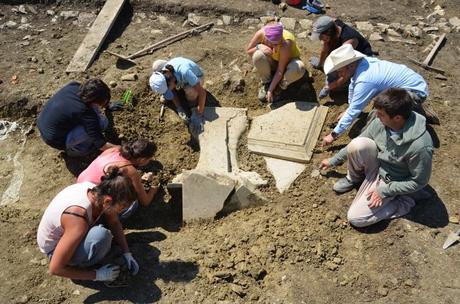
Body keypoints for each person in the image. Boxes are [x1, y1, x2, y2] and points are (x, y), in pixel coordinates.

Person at [319, 88, 433, 227]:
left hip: (394, 180)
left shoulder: (420, 146)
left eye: (381, 114)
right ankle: (354, 179)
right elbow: (359, 140)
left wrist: (384, 191)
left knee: (356, 219)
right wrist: (333, 161)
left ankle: (405, 201)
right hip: (379, 165)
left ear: (397, 118)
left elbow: (419, 182)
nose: (376, 116)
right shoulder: (382, 122)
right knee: (358, 144)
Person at [321, 44, 437, 146]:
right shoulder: (362, 63)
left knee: (379, 115)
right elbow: (352, 85)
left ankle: (410, 118)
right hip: (410, 83)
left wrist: (333, 135)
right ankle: (412, 109)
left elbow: (355, 110)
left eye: (340, 70)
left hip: (415, 92)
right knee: (381, 102)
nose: (338, 74)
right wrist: (349, 108)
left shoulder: (365, 79)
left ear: (350, 66)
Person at [36, 168, 139, 282]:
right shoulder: (77, 218)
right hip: (55, 250)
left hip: (73, 229)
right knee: (101, 237)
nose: (122, 209)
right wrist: (97, 275)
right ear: (107, 202)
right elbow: (55, 269)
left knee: (129, 209)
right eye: (122, 205)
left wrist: (126, 252)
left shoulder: (97, 190)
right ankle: (83, 265)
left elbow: (114, 222)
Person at [37, 79, 120, 157]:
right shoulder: (86, 113)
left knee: (97, 119)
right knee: (102, 123)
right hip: (56, 140)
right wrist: (121, 149)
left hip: (43, 122)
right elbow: (101, 145)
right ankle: (75, 150)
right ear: (94, 102)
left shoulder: (74, 86)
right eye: (103, 103)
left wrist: (108, 105)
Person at [77, 140, 159, 219]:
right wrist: (153, 190)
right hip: (91, 204)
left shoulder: (113, 150)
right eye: (149, 159)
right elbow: (145, 201)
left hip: (77, 188)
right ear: (142, 160)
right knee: (133, 202)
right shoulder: (129, 170)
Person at [309, 15, 374, 99]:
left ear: (329, 33)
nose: (321, 40)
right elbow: (325, 48)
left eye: (322, 37)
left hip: (361, 61)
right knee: (330, 73)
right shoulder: (332, 25)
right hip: (345, 55)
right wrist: (320, 64)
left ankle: (350, 85)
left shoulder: (348, 43)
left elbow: (346, 72)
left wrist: (328, 87)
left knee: (334, 87)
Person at [246, 21, 306, 103]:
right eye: (272, 44)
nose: (275, 48)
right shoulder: (261, 33)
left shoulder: (286, 43)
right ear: (266, 37)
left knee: (299, 68)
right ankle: (266, 82)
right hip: (273, 61)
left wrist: (271, 90)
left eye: (277, 44)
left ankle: (281, 85)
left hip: (288, 63)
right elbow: (249, 51)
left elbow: (280, 70)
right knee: (258, 55)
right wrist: (258, 46)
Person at [149, 57, 207, 135]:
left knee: (190, 90)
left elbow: (202, 93)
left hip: (197, 76)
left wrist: (199, 113)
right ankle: (169, 89)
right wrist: (179, 108)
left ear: (171, 79)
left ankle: (192, 105)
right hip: (175, 73)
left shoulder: (185, 72)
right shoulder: (165, 73)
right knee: (156, 66)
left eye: (168, 90)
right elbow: (170, 87)